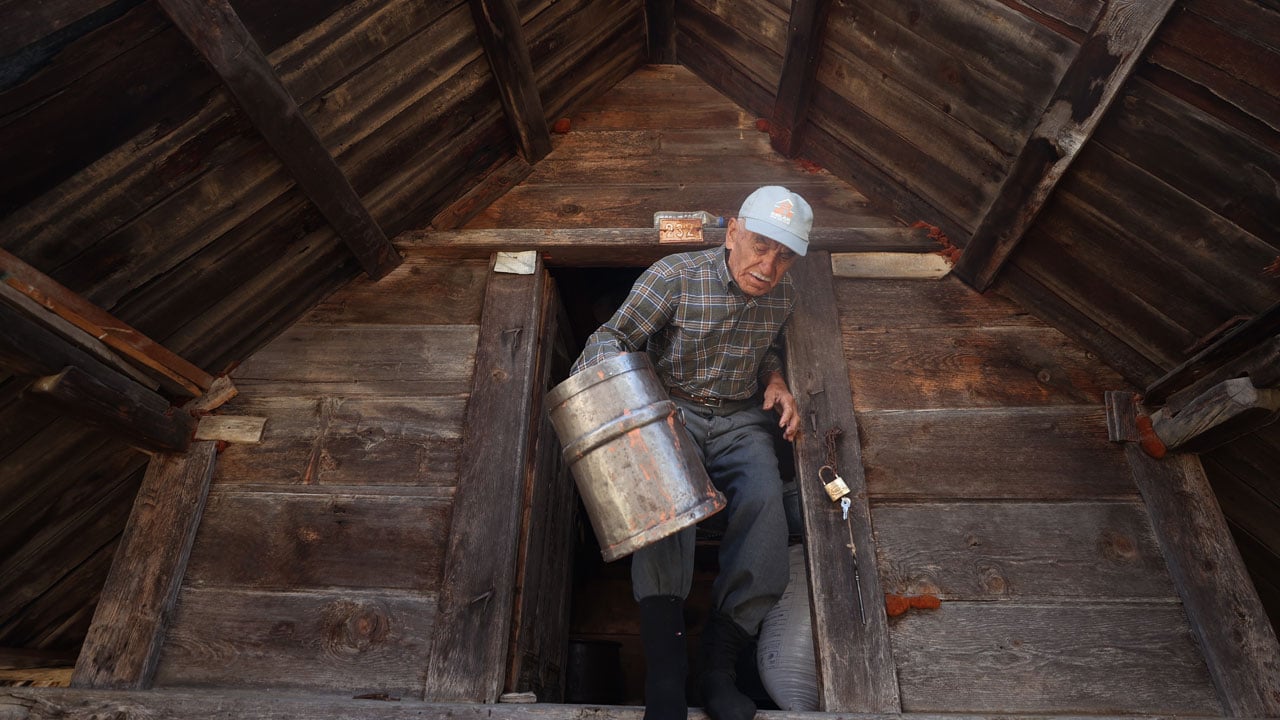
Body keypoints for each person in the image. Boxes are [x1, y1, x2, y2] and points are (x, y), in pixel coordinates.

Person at [569, 185, 812, 720]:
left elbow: (768, 347)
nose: (768, 267)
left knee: (767, 507)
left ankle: (718, 670)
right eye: (760, 246)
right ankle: (666, 675)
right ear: (732, 232)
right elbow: (612, 339)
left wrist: (775, 378)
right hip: (670, 407)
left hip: (740, 418)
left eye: (784, 256)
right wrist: (620, 407)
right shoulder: (674, 276)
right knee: (670, 509)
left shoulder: (784, 296)